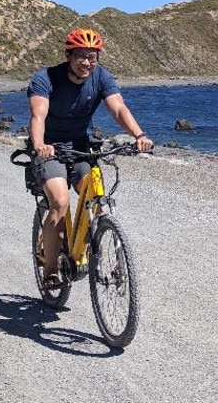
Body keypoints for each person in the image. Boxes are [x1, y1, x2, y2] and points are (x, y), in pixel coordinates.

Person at [28, 27, 154, 289]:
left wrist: (139, 135)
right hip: (51, 150)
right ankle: (50, 270)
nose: (87, 63)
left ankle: (99, 254)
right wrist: (39, 144)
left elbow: (118, 108)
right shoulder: (46, 78)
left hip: (82, 148)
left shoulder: (102, 77)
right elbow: (38, 115)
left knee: (97, 198)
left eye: (92, 57)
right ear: (68, 56)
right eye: (81, 56)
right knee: (60, 202)